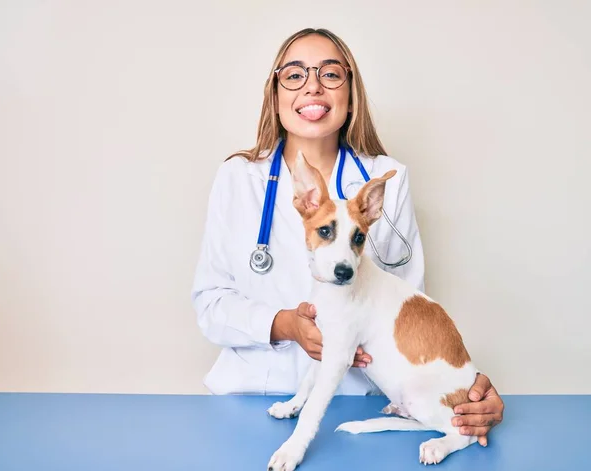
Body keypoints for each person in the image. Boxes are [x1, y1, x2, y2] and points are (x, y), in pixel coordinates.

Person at [191, 27, 504, 445]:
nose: (313, 87)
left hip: (355, 401)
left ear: (351, 93)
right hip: (249, 394)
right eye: (295, 74)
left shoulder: (385, 178)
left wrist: (460, 387)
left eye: (331, 74)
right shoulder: (237, 178)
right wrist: (285, 325)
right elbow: (210, 304)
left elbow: (405, 309)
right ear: (275, 92)